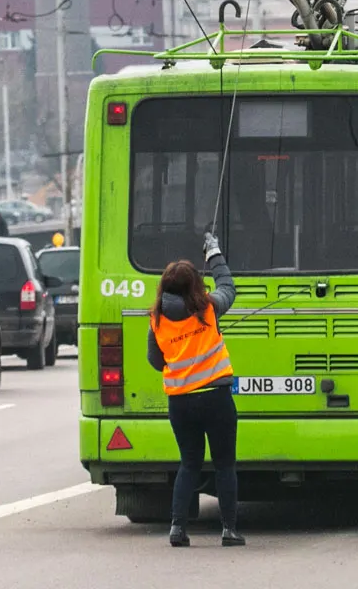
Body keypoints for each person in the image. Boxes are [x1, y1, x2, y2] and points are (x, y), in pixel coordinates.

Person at [147, 231, 241, 548]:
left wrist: (180, 357)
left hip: (181, 404)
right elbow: (228, 286)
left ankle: (177, 528)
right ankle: (229, 530)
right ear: (194, 286)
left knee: (189, 464)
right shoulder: (209, 308)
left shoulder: (157, 320)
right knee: (225, 464)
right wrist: (213, 253)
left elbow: (155, 361)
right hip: (215, 399)